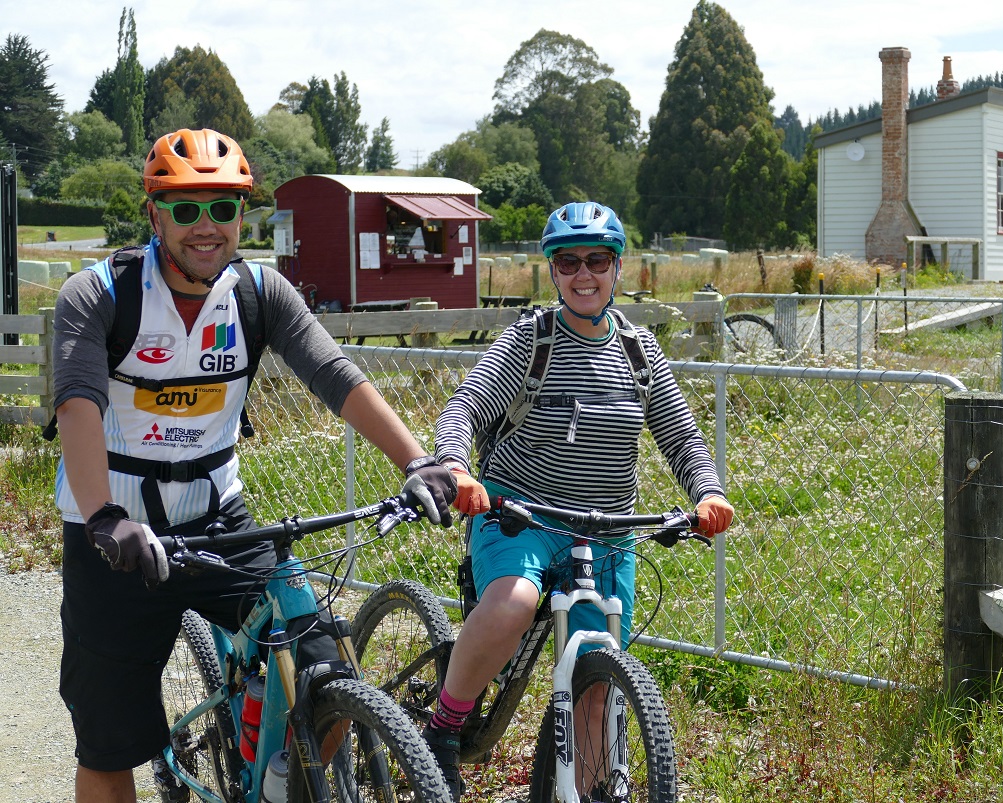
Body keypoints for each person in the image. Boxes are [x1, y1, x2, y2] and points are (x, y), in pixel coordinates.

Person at [52, 128, 457, 803]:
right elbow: (77, 405)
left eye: (223, 207)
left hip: (219, 518)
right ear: (154, 215)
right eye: (185, 209)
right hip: (114, 534)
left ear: (244, 215)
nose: (205, 226)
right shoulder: (98, 295)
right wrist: (103, 515)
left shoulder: (259, 293)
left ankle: (273, 778)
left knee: (326, 661)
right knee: (109, 742)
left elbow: (335, 374)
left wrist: (417, 459)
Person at [430, 201, 735, 800]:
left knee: (598, 685)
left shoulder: (640, 351)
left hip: (607, 528)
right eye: (567, 261)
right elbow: (465, 409)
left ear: (619, 267)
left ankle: (592, 791)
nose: (583, 273)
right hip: (520, 514)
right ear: (552, 271)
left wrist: (708, 491)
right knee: (515, 601)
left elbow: (681, 437)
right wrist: (458, 468)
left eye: (597, 259)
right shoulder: (529, 341)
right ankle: (444, 726)